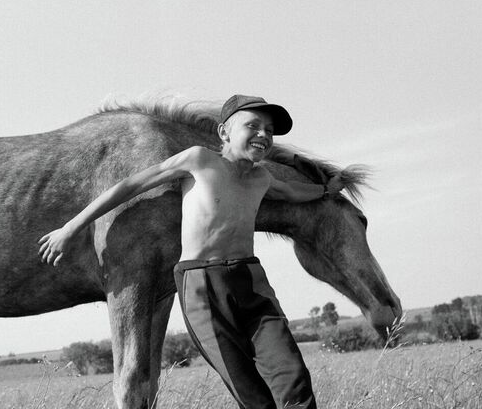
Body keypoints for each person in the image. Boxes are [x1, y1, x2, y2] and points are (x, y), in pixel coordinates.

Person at [38, 95, 343, 408]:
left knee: (294, 380)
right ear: (224, 132)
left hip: (251, 282)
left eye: (269, 130)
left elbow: (292, 192)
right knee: (252, 396)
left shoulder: (262, 177)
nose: (264, 134)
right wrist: (71, 228)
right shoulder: (200, 159)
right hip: (203, 285)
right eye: (253, 126)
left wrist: (326, 190)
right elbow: (129, 186)